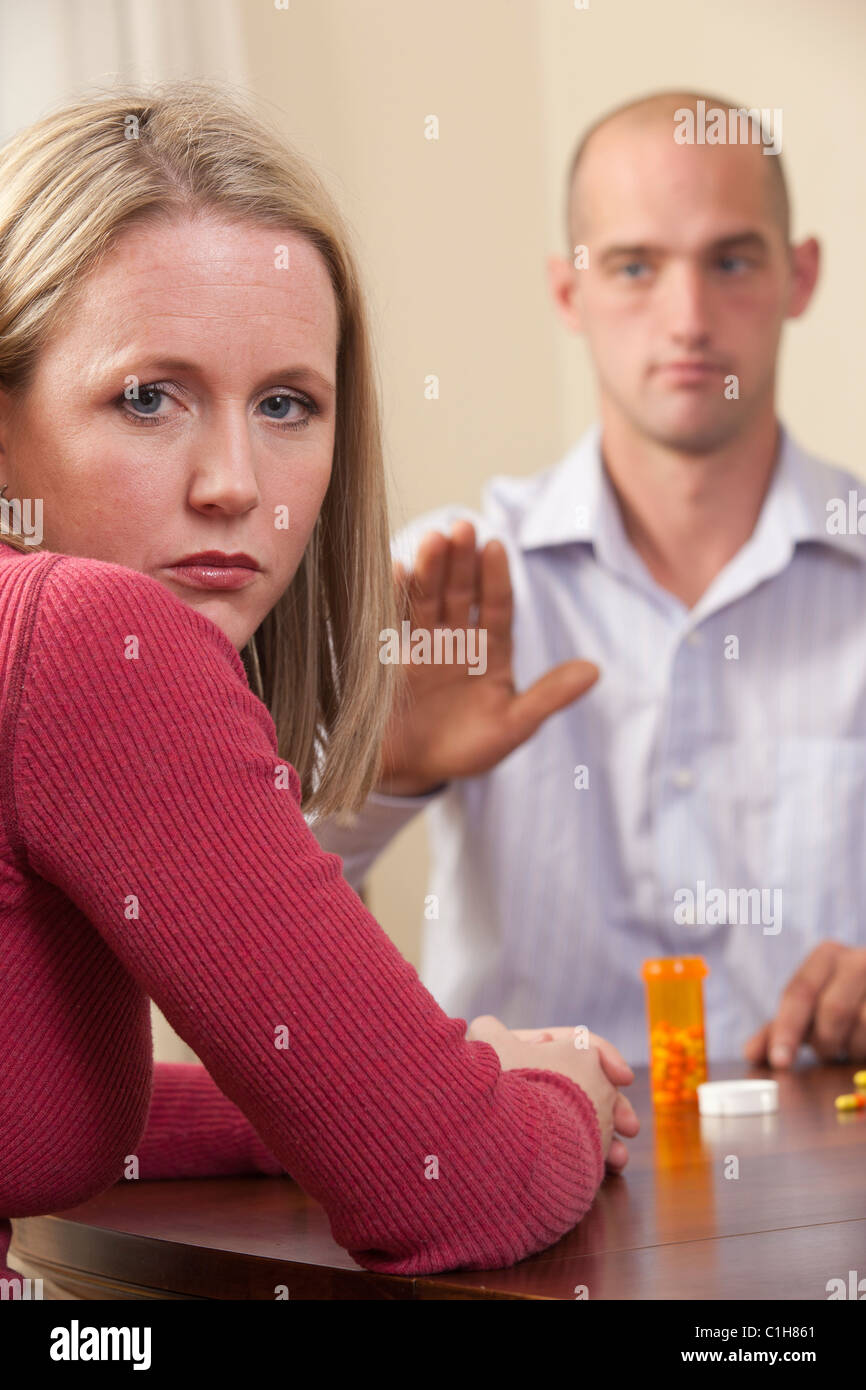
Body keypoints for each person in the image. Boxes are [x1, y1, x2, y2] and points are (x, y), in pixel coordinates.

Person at [0, 79, 640, 1290]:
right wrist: (540, 1090)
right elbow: (464, 1185)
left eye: (287, 403)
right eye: (149, 396)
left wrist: (392, 1081)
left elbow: (42, 1093)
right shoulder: (81, 638)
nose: (235, 482)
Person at [314, 89, 866, 1070]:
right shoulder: (447, 582)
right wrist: (384, 782)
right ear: (568, 292)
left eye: (729, 259)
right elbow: (250, 939)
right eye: (634, 267)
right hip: (523, 1191)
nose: (686, 318)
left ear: (801, 276)